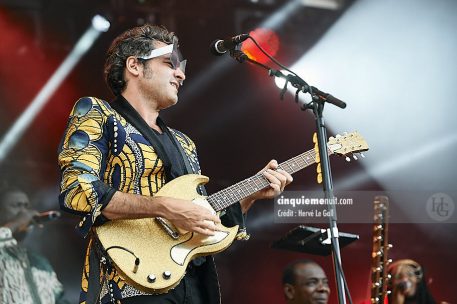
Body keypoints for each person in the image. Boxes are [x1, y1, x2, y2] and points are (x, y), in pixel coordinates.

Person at [57, 24, 293, 304]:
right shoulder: (99, 113)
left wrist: (250, 196)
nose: (181, 74)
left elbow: (200, 225)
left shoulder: (184, 143)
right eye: (169, 64)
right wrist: (163, 207)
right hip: (127, 284)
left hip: (190, 287)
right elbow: (77, 191)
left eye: (181, 67)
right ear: (134, 65)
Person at [0, 183, 68, 304]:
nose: (25, 212)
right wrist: (15, 223)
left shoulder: (39, 261)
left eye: (27, 206)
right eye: (17, 206)